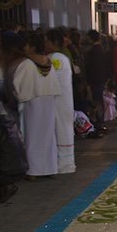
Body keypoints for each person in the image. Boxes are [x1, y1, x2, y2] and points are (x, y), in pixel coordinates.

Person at [14, 32, 60, 179]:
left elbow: (18, 85)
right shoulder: (48, 62)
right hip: (49, 101)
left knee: (32, 136)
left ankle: (33, 170)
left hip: (32, 102)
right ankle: (50, 168)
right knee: (48, 136)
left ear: (32, 46)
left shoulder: (27, 64)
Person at [45, 29, 75, 174]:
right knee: (64, 129)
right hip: (65, 99)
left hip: (58, 100)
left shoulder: (55, 58)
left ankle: (62, 164)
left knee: (60, 130)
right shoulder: (62, 57)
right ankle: (66, 162)